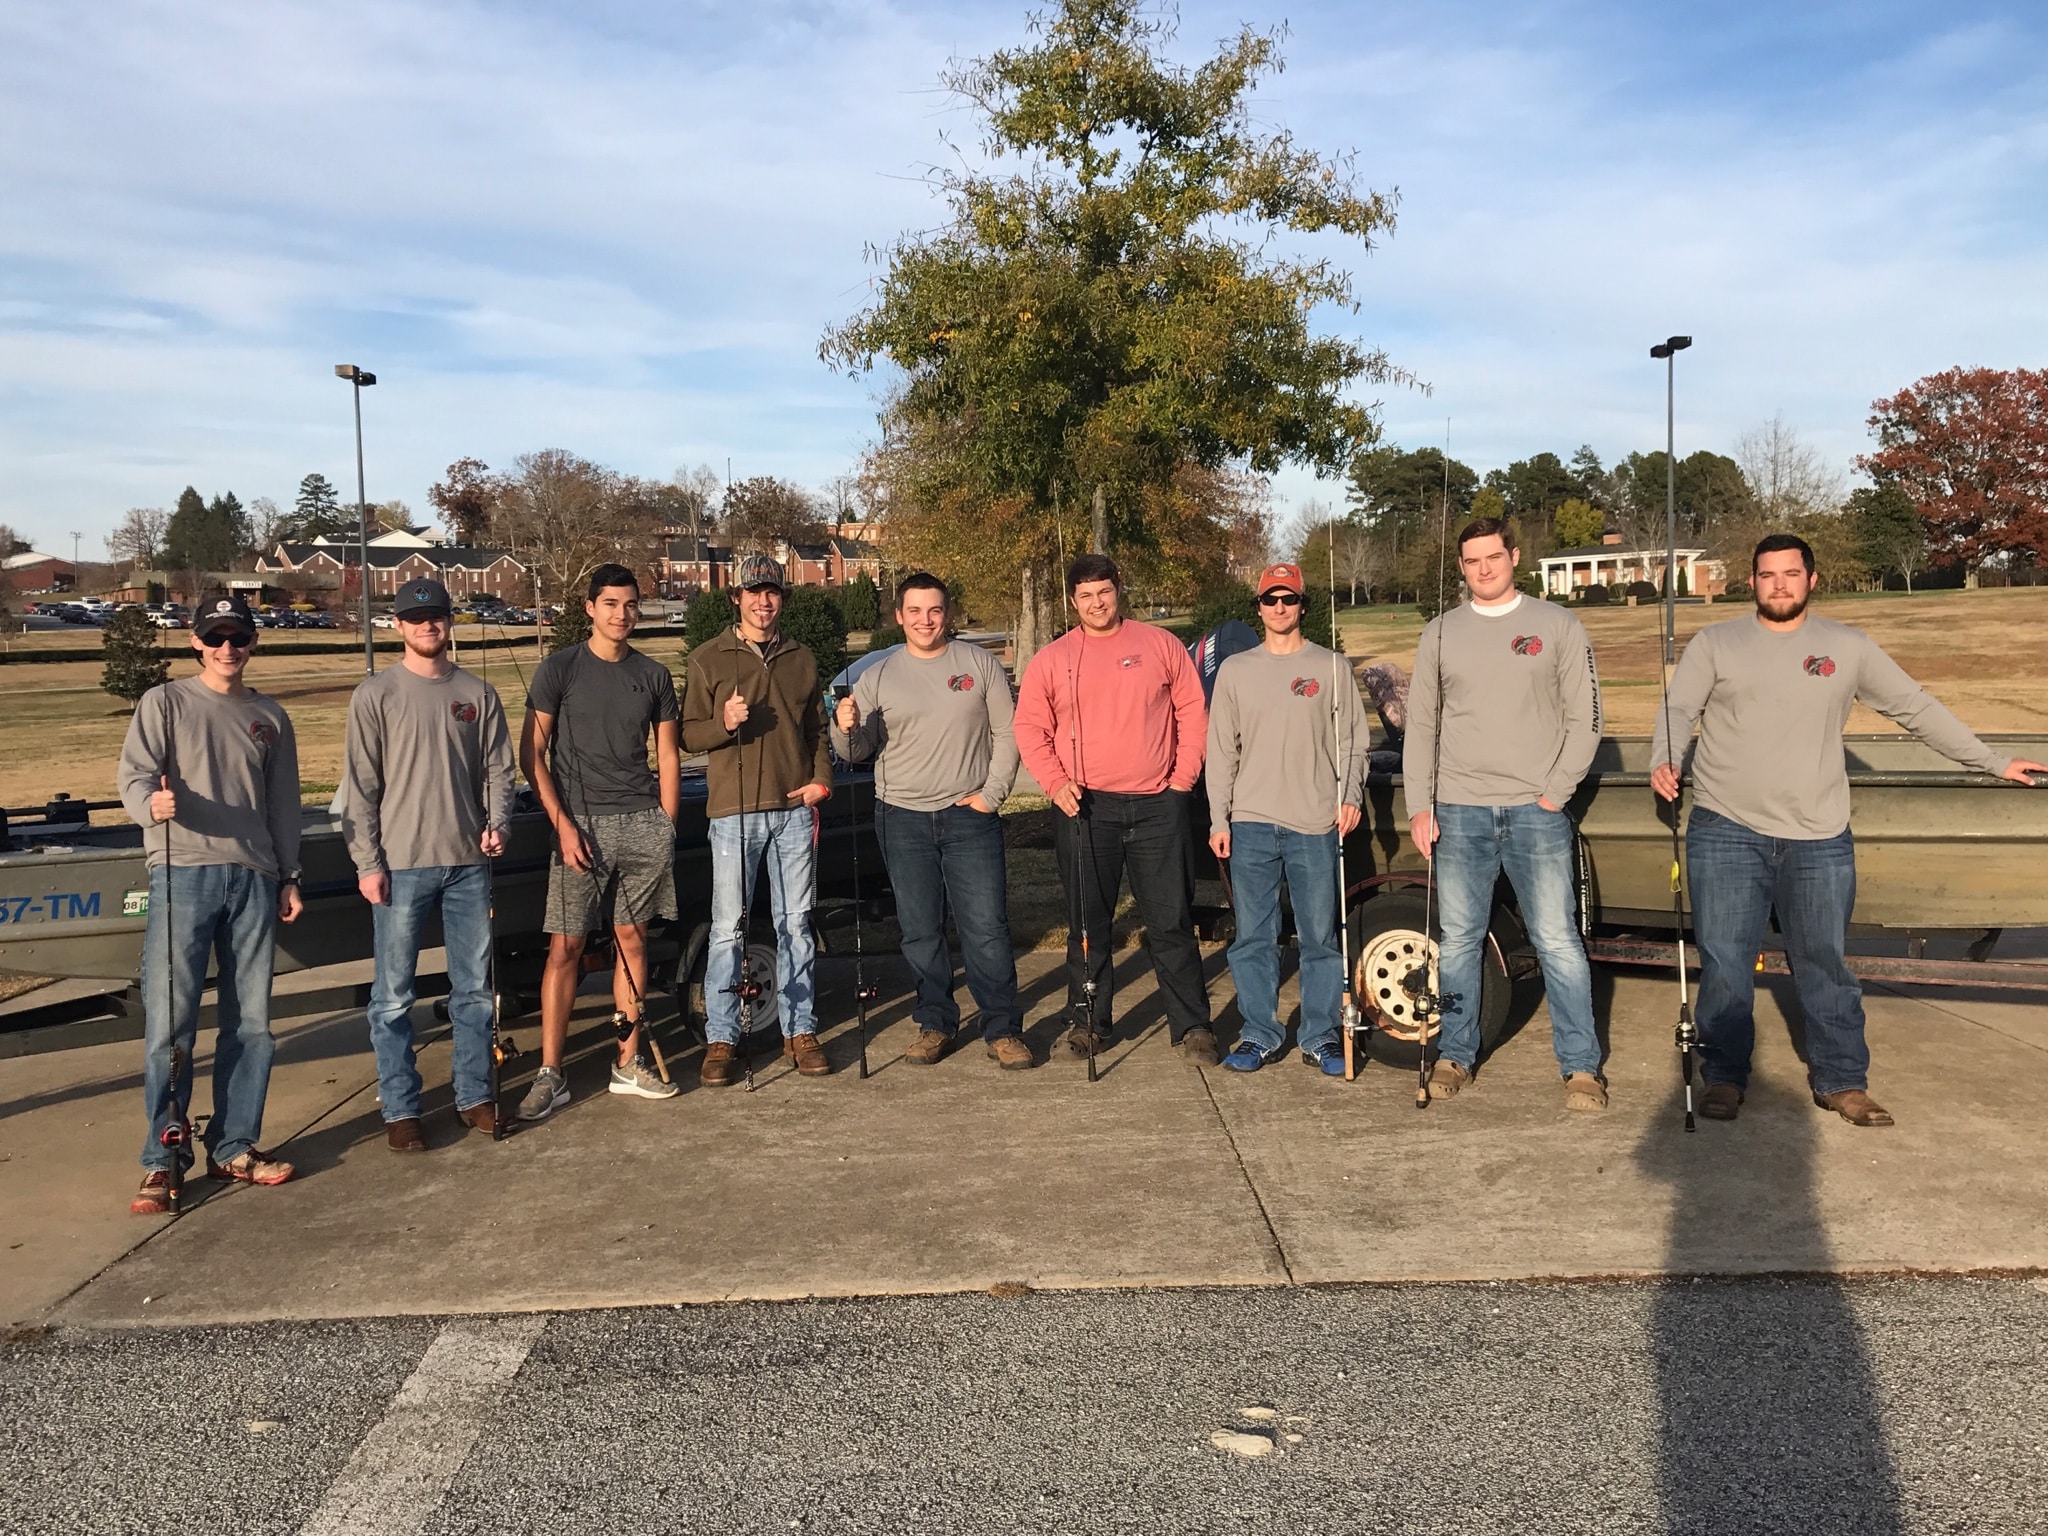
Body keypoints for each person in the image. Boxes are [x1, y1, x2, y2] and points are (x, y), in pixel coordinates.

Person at [1652, 533, 2045, 1126]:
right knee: (1727, 964)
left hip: (1818, 835)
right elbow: (1678, 710)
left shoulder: (1846, 647)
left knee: (1826, 963)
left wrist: (1992, 761)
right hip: (1726, 826)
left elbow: (1914, 707)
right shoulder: (1716, 643)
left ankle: (1841, 1081)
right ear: (1752, 582)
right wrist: (1666, 757)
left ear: (1812, 579)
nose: (1778, 584)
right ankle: (1725, 1078)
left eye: (1790, 573)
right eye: (1766, 575)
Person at [1405, 518, 1607, 1111]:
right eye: (1471, 561)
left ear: (1514, 556)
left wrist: (1555, 793)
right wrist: (1422, 804)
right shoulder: (1439, 634)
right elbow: (1422, 725)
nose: (1483, 569)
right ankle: (1455, 1054)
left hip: (1535, 812)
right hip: (1460, 813)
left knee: (1556, 940)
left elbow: (1586, 718)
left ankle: (1581, 1067)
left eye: (1493, 557)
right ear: (1461, 566)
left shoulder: (1556, 624)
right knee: (1460, 940)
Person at [117, 593, 303, 1213]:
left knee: (250, 1025)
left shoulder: (270, 717)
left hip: (253, 878)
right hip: (183, 874)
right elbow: (135, 775)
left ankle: (235, 1147)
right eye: (216, 636)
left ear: (253, 642)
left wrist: (288, 875)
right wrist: (151, 806)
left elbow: (282, 807)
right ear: (196, 642)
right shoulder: (165, 702)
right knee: (170, 1024)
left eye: (239, 636)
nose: (228, 648)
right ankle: (162, 1159)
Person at [1013, 553, 1217, 1065]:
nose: (1096, 603)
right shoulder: (1053, 658)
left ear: (1117, 589)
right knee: (1088, 925)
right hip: (1085, 809)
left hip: (1158, 806)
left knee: (1170, 921)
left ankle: (1192, 1026)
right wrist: (1055, 782)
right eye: (1085, 596)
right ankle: (1086, 1023)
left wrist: (1181, 781)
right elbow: (1029, 728)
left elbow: (1193, 712)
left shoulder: (1160, 645)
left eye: (1103, 592)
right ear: (1072, 600)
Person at [343, 579, 516, 1149]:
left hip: (468, 864)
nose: (427, 626)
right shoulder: (376, 695)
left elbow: (497, 769)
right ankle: (401, 1109)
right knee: (392, 996)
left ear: (449, 622)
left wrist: (499, 822)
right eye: (415, 618)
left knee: (472, 991)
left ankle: (475, 1095)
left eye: (436, 616)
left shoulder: (477, 694)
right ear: (398, 625)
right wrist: (368, 862)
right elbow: (361, 787)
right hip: (400, 866)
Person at [832, 571, 1029, 1069]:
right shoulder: (878, 676)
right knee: (920, 929)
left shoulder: (978, 664)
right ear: (899, 616)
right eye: (914, 611)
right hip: (901, 818)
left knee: (985, 928)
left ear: (948, 613)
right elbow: (858, 750)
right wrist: (844, 728)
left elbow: (1007, 733)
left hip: (969, 817)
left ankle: (1002, 1028)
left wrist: (992, 795)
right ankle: (935, 1022)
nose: (925, 620)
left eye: (934, 610)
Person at [516, 563, 682, 1120]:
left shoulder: (654, 675)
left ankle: (627, 1063)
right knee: (565, 947)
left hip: (641, 824)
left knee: (632, 943)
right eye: (610, 604)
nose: (622, 614)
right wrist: (562, 824)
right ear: (590, 608)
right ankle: (551, 1072)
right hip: (579, 828)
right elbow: (531, 755)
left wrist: (666, 822)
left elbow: (666, 754)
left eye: (631, 604)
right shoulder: (558, 669)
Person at [1205, 563, 1372, 1077]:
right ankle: (1258, 1033)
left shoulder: (1331, 666)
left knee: (1320, 938)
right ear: (1257, 608)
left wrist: (1349, 795)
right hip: (1251, 823)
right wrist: (1219, 819)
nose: (1280, 607)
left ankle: (1319, 1037)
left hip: (1315, 823)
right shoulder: (1237, 670)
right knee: (1254, 938)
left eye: (1289, 599)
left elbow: (1353, 744)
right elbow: (1220, 751)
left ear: (1302, 606)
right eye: (1270, 599)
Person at [680, 553, 835, 1085]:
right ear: (736, 598)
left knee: (796, 923)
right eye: (753, 592)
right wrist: (722, 723)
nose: (763, 601)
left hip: (793, 809)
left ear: (781, 599)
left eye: (771, 592)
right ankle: (722, 1038)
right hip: (733, 814)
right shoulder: (707, 659)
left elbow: (816, 730)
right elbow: (687, 735)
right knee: (729, 928)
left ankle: (801, 1030)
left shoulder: (801, 658)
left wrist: (822, 781)